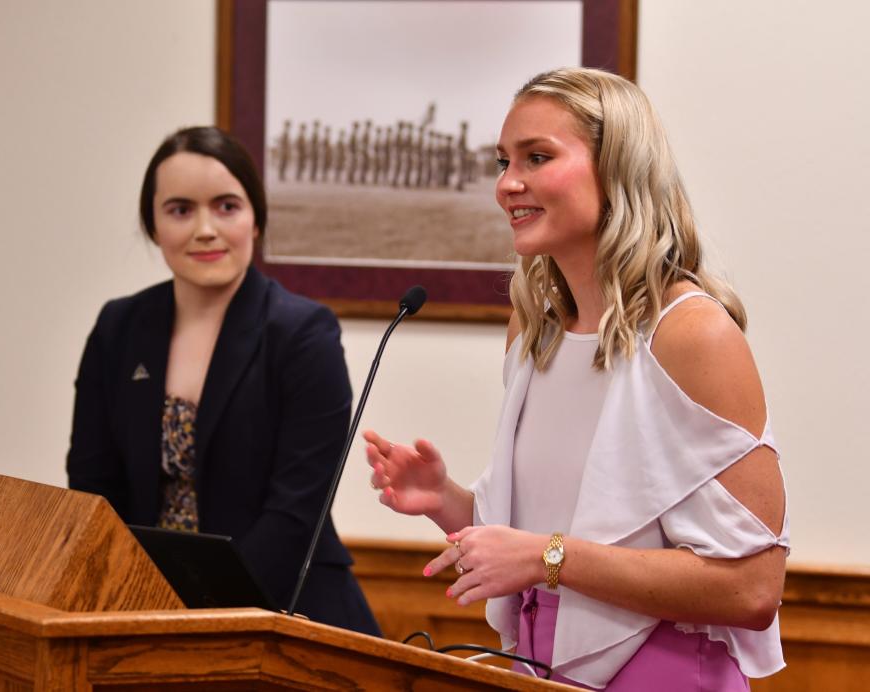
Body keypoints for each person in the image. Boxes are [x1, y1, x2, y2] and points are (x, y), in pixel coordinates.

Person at [364, 68, 788, 690]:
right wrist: (448, 502)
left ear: (618, 169)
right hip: (540, 668)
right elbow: (568, 530)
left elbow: (752, 588)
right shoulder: (532, 331)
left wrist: (546, 558)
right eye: (503, 161)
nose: (508, 184)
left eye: (538, 157)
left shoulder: (692, 333)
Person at [67, 126, 380, 637]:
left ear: (255, 219)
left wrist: (196, 621)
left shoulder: (304, 334)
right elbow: (92, 491)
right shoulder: (117, 328)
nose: (205, 229)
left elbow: (293, 514)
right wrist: (134, 606)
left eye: (227, 206)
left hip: (283, 617)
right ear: (153, 225)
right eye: (181, 209)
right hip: (140, 614)